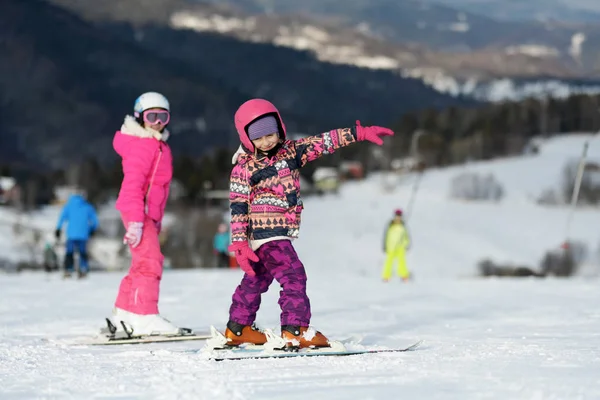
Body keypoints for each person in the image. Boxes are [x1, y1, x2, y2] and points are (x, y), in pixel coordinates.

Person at [224, 98, 394, 349]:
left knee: (258, 278)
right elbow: (238, 206)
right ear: (247, 138)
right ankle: (295, 329)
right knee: (293, 275)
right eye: (258, 138)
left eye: (270, 134)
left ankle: (238, 327)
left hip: (276, 231)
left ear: (279, 128)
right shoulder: (244, 168)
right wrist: (239, 244)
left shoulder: (290, 152)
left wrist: (358, 132)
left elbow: (324, 141)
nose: (267, 142)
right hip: (266, 233)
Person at [110, 91, 180, 336]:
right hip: (137, 212)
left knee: (141, 264)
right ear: (140, 118)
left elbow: (156, 187)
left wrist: (154, 219)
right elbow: (133, 186)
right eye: (152, 117)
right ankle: (145, 316)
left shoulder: (157, 145)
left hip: (146, 214)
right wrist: (136, 222)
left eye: (163, 117)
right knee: (151, 262)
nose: (158, 122)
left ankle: (125, 313)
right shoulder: (143, 146)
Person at [55, 192, 98, 279]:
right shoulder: (87, 207)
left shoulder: (68, 207)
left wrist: (58, 229)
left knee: (69, 252)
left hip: (71, 235)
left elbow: (62, 218)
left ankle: (68, 269)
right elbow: (95, 220)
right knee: (82, 252)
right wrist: (92, 229)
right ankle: (83, 269)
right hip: (83, 234)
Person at [382, 208, 411, 282]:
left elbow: (406, 236)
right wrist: (385, 245)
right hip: (391, 246)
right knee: (389, 261)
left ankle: (404, 276)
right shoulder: (390, 225)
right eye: (397, 216)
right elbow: (386, 236)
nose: (398, 217)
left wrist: (406, 244)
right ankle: (386, 276)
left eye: (399, 216)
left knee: (401, 261)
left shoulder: (403, 226)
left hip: (400, 246)